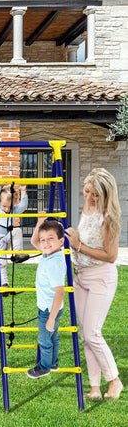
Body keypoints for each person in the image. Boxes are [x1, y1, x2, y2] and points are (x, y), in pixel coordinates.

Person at [65, 167, 123, 400]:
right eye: (87, 192)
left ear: (106, 194)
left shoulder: (109, 218)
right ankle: (95, 389)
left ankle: (115, 381)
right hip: (80, 277)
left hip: (101, 277)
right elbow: (85, 239)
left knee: (92, 333)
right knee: (85, 336)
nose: (89, 198)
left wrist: (78, 245)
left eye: (95, 194)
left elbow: (110, 256)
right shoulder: (87, 209)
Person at [27, 218, 66, 379]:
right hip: (53, 308)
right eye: (43, 240)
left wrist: (50, 318)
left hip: (49, 310)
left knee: (44, 340)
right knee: (53, 336)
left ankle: (44, 367)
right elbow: (34, 240)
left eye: (51, 238)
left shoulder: (53, 263)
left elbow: (60, 292)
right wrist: (40, 222)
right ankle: (53, 362)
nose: (45, 243)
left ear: (61, 241)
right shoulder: (51, 253)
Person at [0, 184, 29, 292]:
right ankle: (4, 284)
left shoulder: (12, 211)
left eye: (10, 207)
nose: (7, 209)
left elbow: (23, 206)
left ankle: (18, 253)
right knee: (2, 263)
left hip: (7, 239)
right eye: (4, 206)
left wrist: (23, 191)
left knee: (17, 230)